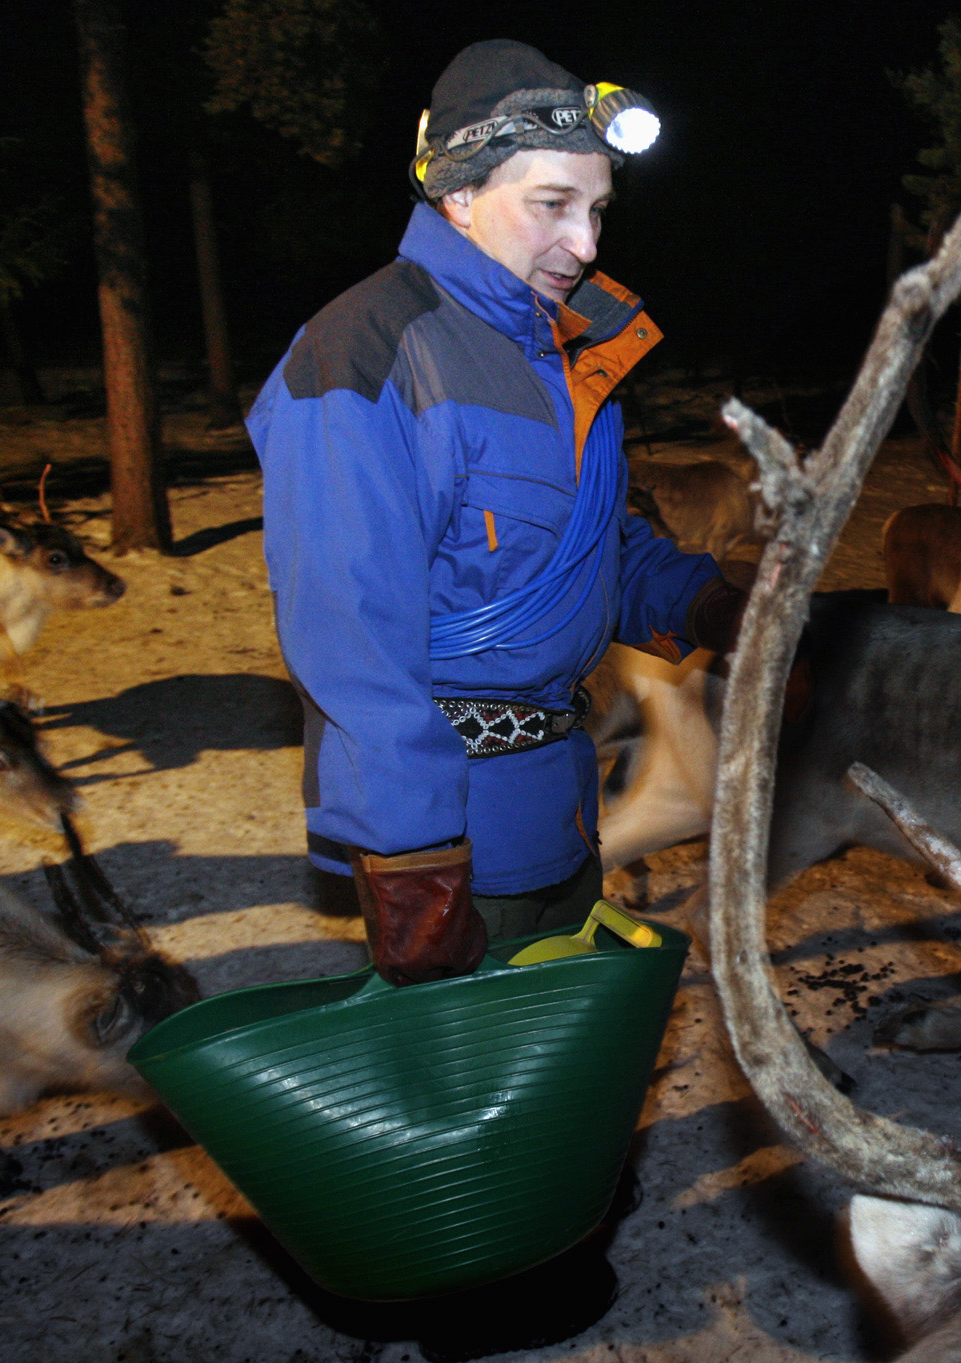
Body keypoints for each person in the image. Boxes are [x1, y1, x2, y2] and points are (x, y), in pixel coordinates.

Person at [252, 39, 743, 985]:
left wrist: (707, 602)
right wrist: (413, 866)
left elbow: (582, 540)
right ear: (459, 197)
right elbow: (350, 638)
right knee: (477, 1118)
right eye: (552, 205)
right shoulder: (366, 355)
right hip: (453, 845)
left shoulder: (561, 351)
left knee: (569, 1102)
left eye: (597, 209)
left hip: (561, 807)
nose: (587, 244)